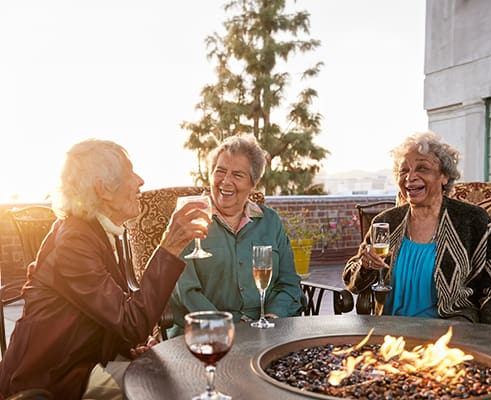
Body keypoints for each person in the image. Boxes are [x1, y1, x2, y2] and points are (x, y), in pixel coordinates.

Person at [0, 139, 210, 399]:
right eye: (130, 172)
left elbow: (111, 315)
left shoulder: (98, 230)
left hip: (81, 361)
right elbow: (131, 323)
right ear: (104, 190)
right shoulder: (74, 243)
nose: (140, 181)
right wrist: (169, 247)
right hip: (50, 378)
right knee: (166, 386)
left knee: (170, 371)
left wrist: (128, 348)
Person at [343, 131, 491, 327]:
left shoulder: (472, 221)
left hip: (449, 336)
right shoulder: (386, 222)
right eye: (403, 171)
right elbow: (352, 282)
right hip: (390, 332)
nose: (410, 177)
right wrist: (365, 266)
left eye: (422, 168)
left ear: (445, 176)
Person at [168, 134, 304, 336]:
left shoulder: (270, 221)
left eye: (238, 175)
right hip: (202, 334)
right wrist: (222, 328)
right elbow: (185, 292)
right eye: (220, 171)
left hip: (262, 334)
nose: (225, 181)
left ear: (253, 183)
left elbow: (289, 283)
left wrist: (273, 317)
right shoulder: (189, 219)